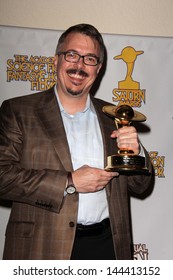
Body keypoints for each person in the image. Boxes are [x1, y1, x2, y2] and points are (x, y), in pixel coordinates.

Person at [0, 23, 153, 260]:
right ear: (56, 60)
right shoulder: (18, 111)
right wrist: (69, 181)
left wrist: (137, 153)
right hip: (41, 247)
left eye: (90, 59)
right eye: (71, 55)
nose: (79, 66)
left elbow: (140, 187)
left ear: (98, 68)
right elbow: (2, 178)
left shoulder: (112, 116)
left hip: (107, 245)